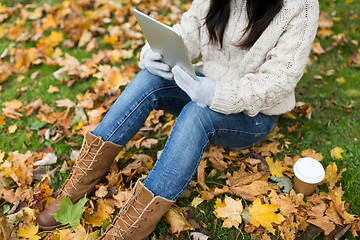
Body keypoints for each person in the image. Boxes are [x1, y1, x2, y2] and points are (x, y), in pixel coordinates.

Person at [37, 0, 319, 239]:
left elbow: (279, 81)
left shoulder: (301, 6)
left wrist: (218, 94)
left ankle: (135, 225)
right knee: (150, 77)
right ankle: (79, 184)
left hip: (253, 115)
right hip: (205, 85)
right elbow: (187, 34)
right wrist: (152, 55)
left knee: (198, 114)